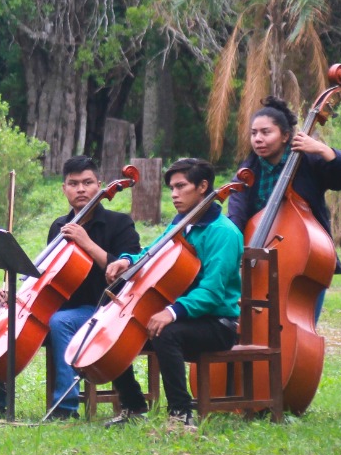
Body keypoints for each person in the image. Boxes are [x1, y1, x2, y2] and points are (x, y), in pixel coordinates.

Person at [0, 156, 142, 420]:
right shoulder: (59, 226)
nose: (81, 189)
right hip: (60, 306)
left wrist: (87, 243)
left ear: (99, 185)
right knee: (1, 319)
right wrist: (16, 293)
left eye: (87, 182)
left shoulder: (119, 223)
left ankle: (65, 408)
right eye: (73, 184)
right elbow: (48, 274)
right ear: (64, 189)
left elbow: (128, 273)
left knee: (61, 322)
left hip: (102, 308)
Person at [100, 158, 244, 427]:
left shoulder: (224, 233)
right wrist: (127, 261)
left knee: (165, 332)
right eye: (172, 188)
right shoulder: (181, 223)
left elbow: (212, 292)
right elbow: (151, 253)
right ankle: (133, 407)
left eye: (181, 187)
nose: (174, 194)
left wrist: (172, 312)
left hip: (217, 324)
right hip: (183, 316)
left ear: (203, 186)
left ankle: (180, 413)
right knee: (117, 330)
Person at [225, 95, 341, 321]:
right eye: (254, 133)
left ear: (285, 136)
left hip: (303, 259)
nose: (258, 139)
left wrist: (323, 150)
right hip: (261, 257)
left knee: (299, 322)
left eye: (266, 132)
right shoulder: (248, 171)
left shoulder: (307, 160)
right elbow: (236, 215)